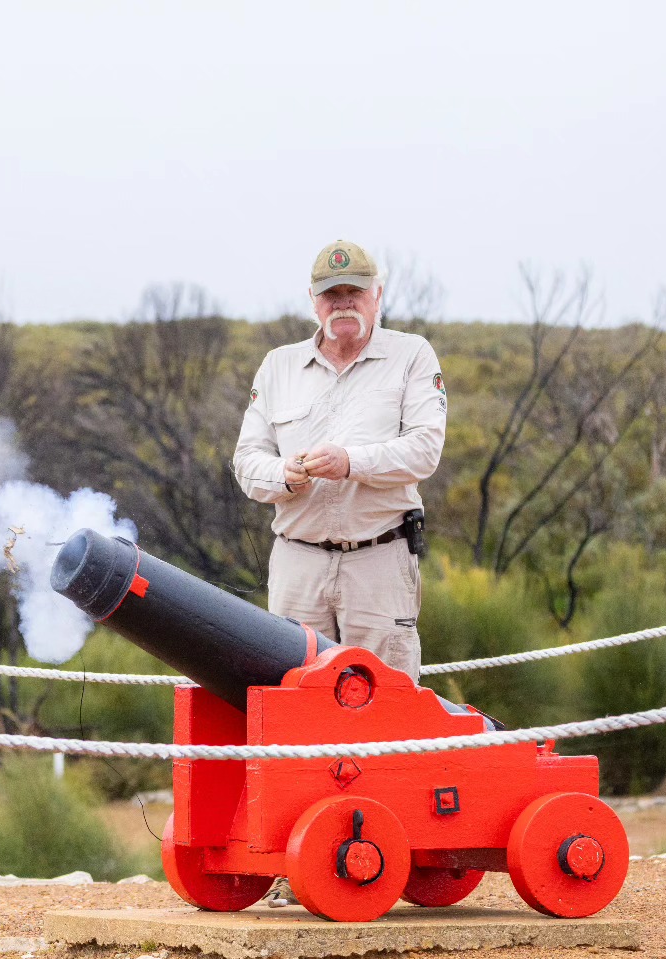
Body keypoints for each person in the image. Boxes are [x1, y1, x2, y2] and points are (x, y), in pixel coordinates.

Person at [234, 239, 447, 906]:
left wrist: (349, 461)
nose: (344, 304)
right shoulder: (278, 368)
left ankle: (391, 856)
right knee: (294, 704)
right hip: (298, 559)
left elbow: (426, 448)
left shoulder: (412, 356)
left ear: (378, 295)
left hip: (378, 556)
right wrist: (286, 474)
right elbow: (246, 460)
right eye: (332, 294)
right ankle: (296, 865)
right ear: (314, 302)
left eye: (356, 291)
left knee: (386, 700)